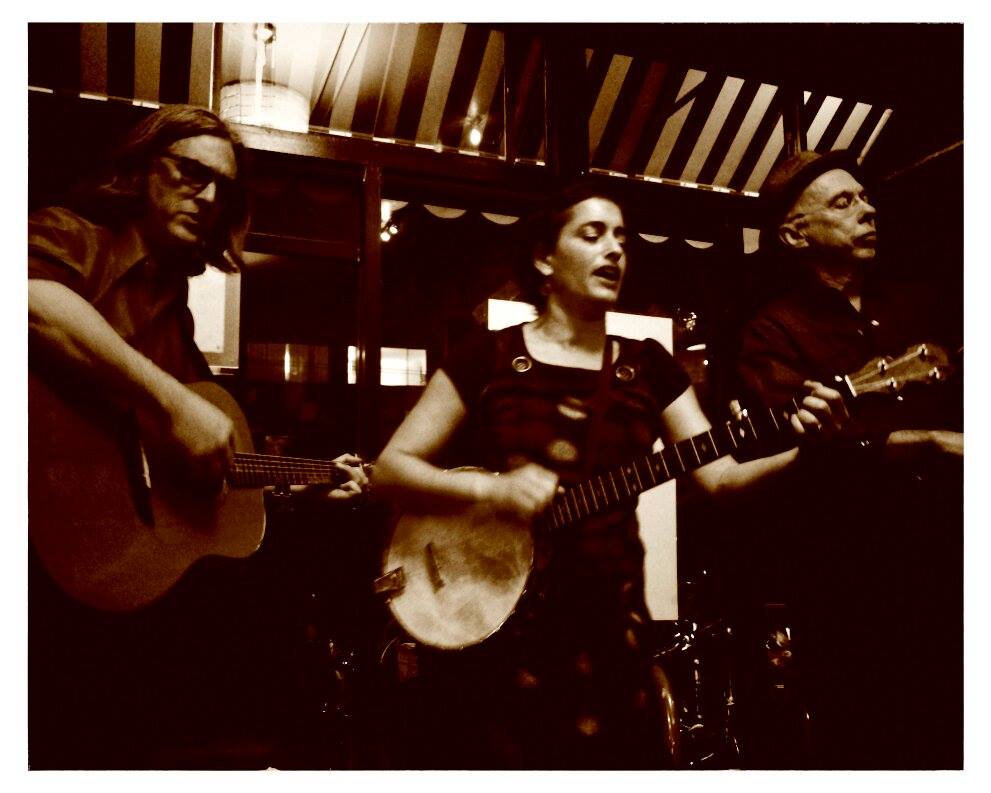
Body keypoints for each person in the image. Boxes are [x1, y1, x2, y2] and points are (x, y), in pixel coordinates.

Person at [372, 182, 849, 769]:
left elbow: (718, 479)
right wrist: (491, 488)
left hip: (610, 635)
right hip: (496, 631)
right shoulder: (486, 358)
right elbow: (390, 470)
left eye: (622, 237)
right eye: (592, 234)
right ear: (545, 257)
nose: (616, 250)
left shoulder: (649, 366)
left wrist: (807, 451)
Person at [28, 105, 367, 769]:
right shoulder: (74, 235)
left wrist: (302, 489)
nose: (207, 196)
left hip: (108, 580)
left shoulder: (174, 309)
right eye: (189, 174)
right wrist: (169, 397)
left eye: (223, 188)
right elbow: (30, 300)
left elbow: (206, 459)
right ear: (138, 172)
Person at [734, 149, 963, 768]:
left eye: (865, 198)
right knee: (867, 742)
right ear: (794, 234)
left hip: (952, 560)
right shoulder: (772, 333)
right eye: (844, 202)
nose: (868, 210)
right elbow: (815, 457)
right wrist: (932, 441)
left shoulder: (923, 304)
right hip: (851, 583)